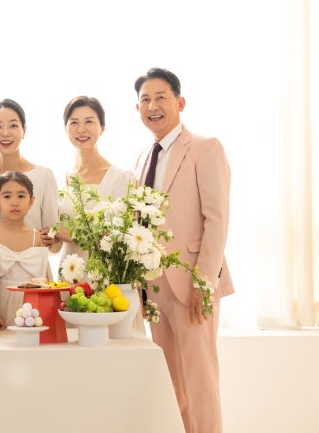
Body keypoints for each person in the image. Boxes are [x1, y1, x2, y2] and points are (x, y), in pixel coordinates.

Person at [134, 67, 234, 433]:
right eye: (145, 99)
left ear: (180, 102)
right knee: (172, 385)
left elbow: (216, 220)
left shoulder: (206, 148)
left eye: (161, 97)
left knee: (200, 381)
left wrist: (204, 283)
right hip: (154, 287)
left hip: (192, 283)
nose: (153, 106)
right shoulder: (143, 158)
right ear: (137, 108)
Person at [53, 96, 136, 277]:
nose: (81, 129)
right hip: (67, 276)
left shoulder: (120, 177)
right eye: (74, 122)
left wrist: (75, 235)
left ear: (102, 128)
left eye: (89, 121)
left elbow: (123, 240)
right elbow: (55, 243)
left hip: (104, 277)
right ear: (66, 129)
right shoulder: (61, 180)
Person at [0, 172, 51, 328]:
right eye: (7, 196)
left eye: (21, 196)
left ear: (31, 201)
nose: (14, 202)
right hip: (1, 302)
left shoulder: (38, 237)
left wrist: (47, 311)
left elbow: (43, 280)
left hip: (33, 305)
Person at [0, 99, 59, 240]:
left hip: (35, 254)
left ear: (24, 131)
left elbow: (54, 237)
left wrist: (51, 238)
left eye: (13, 125)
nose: (5, 133)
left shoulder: (43, 176)